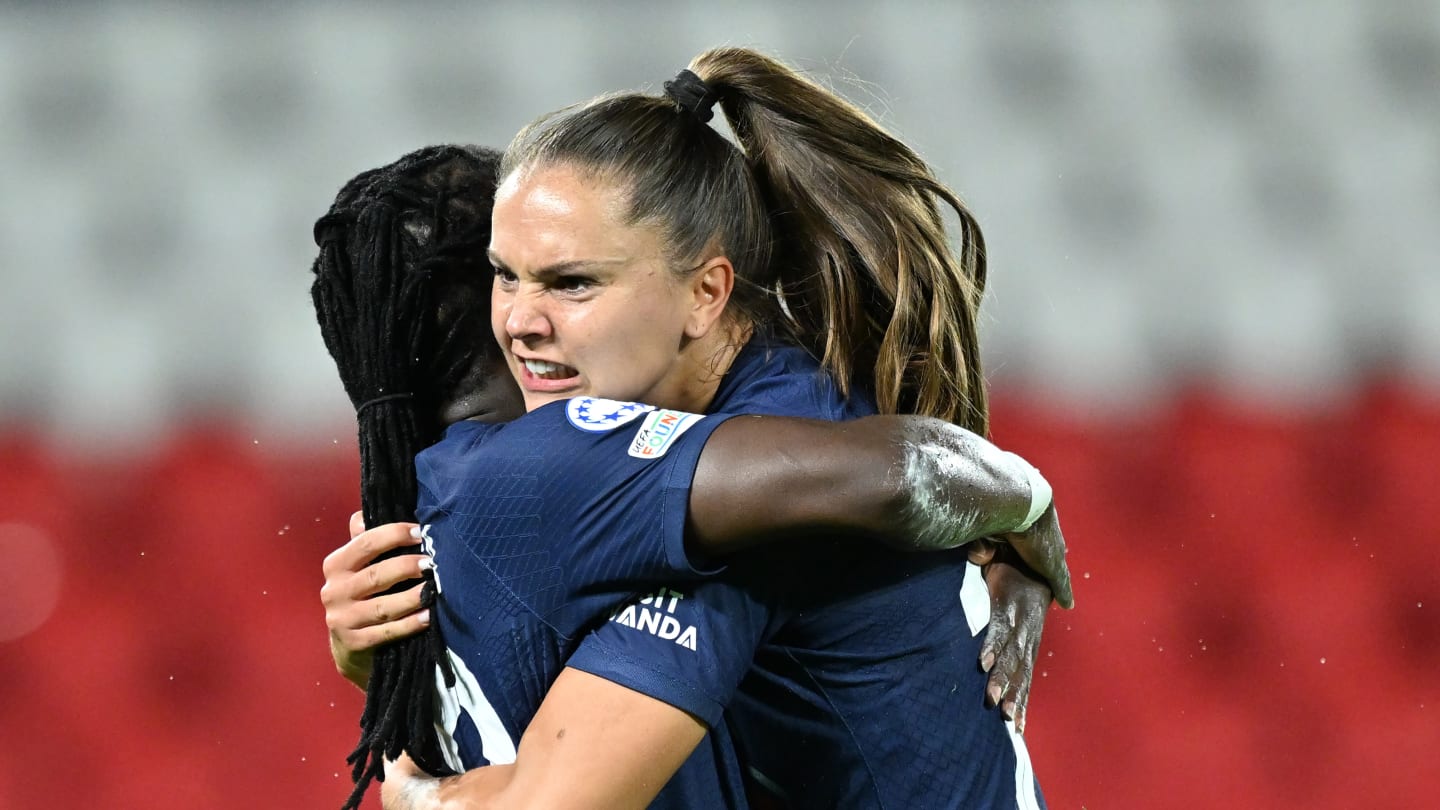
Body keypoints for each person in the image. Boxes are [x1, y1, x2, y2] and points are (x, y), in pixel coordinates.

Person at [318, 47, 1070, 807]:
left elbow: (555, 800)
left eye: (573, 282)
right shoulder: (736, 426)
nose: (518, 321)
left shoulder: (763, 483)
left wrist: (1030, 506)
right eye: (504, 273)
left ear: (707, 293)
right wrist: (387, 649)